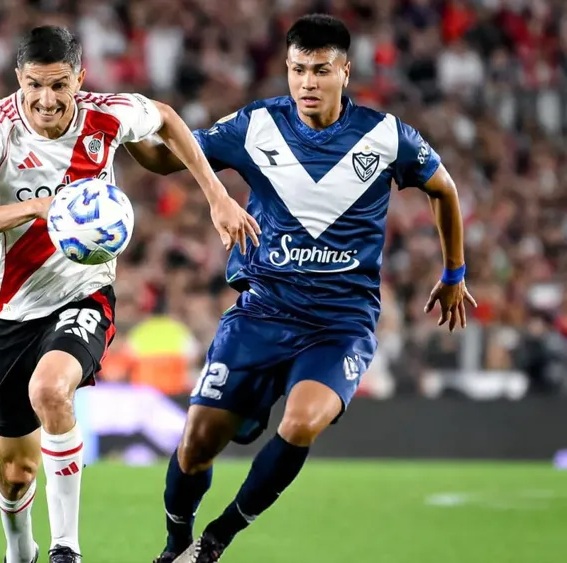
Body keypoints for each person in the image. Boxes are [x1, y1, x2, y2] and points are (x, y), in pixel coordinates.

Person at [125, 13, 476, 563]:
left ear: (345, 71)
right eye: (297, 70)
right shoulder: (256, 125)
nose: (307, 82)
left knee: (301, 422)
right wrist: (122, 130)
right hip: (261, 313)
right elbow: (165, 159)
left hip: (339, 324)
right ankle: (176, 545)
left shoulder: (385, 135)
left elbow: (445, 189)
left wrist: (454, 272)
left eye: (319, 70)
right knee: (195, 446)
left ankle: (215, 540)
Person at [0, 25, 258, 563]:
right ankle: (21, 552)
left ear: (79, 79)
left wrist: (217, 195)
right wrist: (36, 209)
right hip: (9, 309)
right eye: (35, 85)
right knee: (16, 472)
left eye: (59, 84)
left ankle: (67, 548)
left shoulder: (106, 114)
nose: (46, 99)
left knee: (52, 390)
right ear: (19, 79)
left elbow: (167, 118)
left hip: (85, 294)